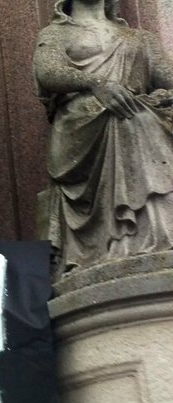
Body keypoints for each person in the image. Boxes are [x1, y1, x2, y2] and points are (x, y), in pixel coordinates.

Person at [34, 0, 173, 273]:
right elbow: (47, 72)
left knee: (138, 117)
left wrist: (164, 98)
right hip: (82, 126)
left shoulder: (140, 38)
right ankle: (127, 240)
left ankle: (160, 233)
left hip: (137, 116)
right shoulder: (55, 33)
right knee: (132, 119)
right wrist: (96, 84)